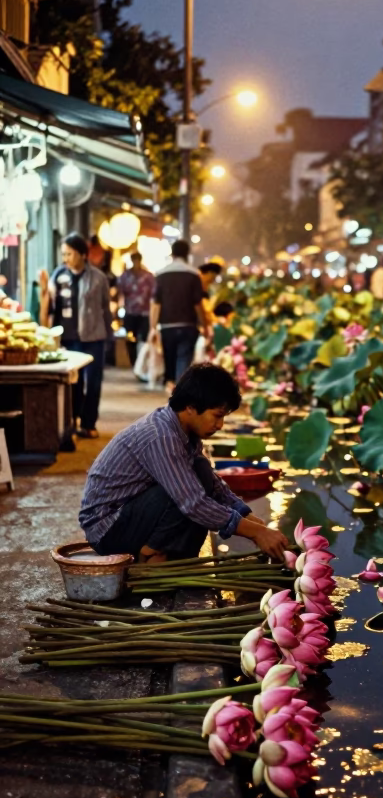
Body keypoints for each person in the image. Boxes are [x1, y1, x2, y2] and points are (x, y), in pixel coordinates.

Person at [79, 362, 288, 562]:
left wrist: (254, 521)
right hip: (107, 528)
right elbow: (193, 503)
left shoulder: (184, 429)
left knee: (201, 470)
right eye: (217, 416)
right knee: (191, 496)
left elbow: (214, 486)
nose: (220, 425)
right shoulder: (161, 436)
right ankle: (151, 554)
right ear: (190, 407)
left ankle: (159, 551)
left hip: (133, 512)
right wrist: (255, 534)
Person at [39, 232, 112, 439]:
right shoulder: (58, 275)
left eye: (69, 254)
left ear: (82, 254)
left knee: (94, 382)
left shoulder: (98, 278)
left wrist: (109, 336)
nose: (65, 258)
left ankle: (89, 424)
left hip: (94, 338)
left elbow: (105, 309)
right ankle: (72, 422)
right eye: (63, 254)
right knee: (74, 383)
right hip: (68, 338)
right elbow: (49, 305)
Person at [150, 240, 210, 391]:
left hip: (167, 325)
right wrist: (205, 324)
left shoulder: (161, 274)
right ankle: (180, 389)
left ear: (172, 253)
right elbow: (198, 304)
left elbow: (156, 304)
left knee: (169, 359)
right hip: (188, 324)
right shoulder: (193, 275)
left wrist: (152, 327)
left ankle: (171, 385)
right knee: (184, 358)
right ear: (187, 254)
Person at [116, 251, 155, 366]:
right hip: (130, 311)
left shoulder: (148, 276)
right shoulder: (125, 276)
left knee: (143, 338)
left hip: (144, 312)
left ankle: (141, 363)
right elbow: (120, 292)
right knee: (130, 338)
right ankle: (134, 362)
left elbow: (153, 295)